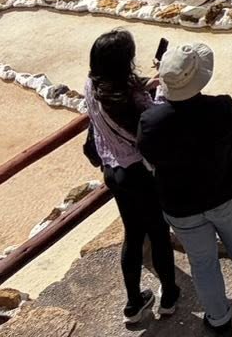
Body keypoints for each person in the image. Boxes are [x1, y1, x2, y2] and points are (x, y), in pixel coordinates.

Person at [138, 43, 232, 335]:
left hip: (181, 205)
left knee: (202, 262)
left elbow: (149, 158)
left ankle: (220, 320)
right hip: (225, 190)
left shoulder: (151, 121)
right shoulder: (222, 106)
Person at [84, 29, 181, 329]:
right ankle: (169, 297)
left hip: (114, 172)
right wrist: (161, 87)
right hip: (141, 173)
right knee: (158, 232)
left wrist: (143, 84)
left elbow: (122, 101)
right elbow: (155, 120)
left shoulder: (92, 85)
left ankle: (133, 304)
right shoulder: (132, 99)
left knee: (133, 235)